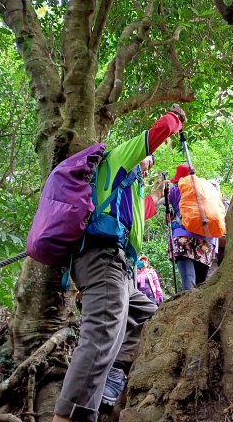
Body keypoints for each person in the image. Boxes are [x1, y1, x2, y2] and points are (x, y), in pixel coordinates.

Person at [53, 104, 186, 422]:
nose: (149, 164)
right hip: (101, 259)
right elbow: (155, 135)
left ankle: (109, 379)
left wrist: (161, 196)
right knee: (101, 333)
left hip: (122, 269)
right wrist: (174, 122)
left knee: (154, 319)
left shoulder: (130, 188)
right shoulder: (118, 158)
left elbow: (144, 211)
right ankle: (66, 416)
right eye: (148, 160)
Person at [167, 165, 216, 291]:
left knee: (188, 281)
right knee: (201, 285)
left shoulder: (175, 189)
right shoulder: (204, 189)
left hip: (183, 239)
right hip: (205, 241)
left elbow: (158, 200)